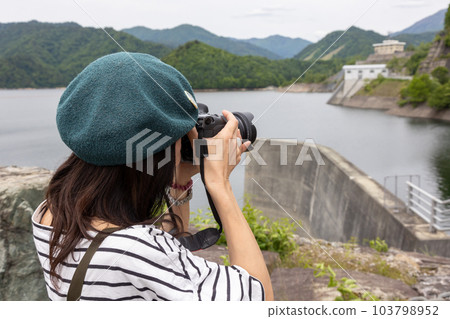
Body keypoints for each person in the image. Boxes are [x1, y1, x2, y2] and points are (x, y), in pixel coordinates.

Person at [31, 52, 274, 301]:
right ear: (160, 153)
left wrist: (178, 182)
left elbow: (166, 246)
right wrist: (219, 184)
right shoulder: (139, 250)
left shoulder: (51, 213)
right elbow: (259, 298)